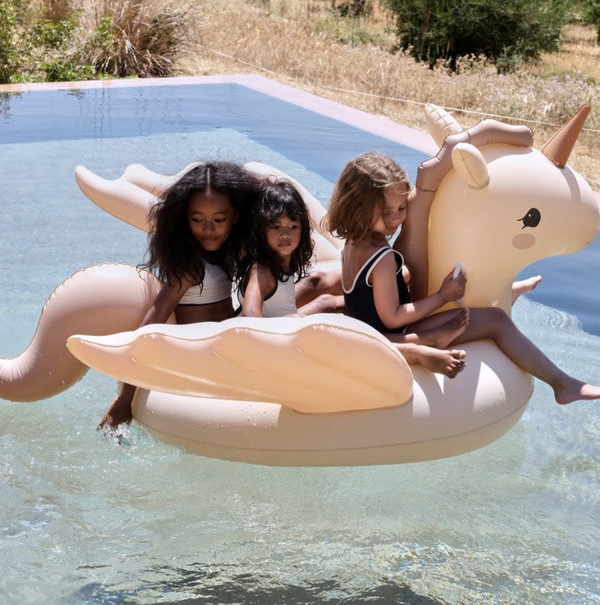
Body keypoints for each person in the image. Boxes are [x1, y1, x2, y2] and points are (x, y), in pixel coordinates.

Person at [325, 151, 600, 403]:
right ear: (359, 208)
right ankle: (562, 384)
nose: (397, 218)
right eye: (386, 212)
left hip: (372, 330)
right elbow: (393, 317)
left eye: (401, 208)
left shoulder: (353, 244)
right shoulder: (382, 258)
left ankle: (507, 292)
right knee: (496, 320)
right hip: (396, 335)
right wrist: (443, 297)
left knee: (409, 275)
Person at [99, 161, 263, 429]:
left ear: (235, 216)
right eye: (197, 220)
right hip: (203, 361)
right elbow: (151, 324)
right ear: (185, 219)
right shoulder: (190, 267)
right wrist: (125, 397)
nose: (208, 229)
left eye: (218, 220)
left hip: (225, 354)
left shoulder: (229, 252)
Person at [238, 178, 344, 317]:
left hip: (280, 320)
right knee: (326, 304)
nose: (284, 234)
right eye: (275, 227)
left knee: (317, 280)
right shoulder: (262, 270)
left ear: (302, 230)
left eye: (292, 227)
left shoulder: (282, 262)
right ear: (261, 230)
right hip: (272, 333)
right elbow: (250, 315)